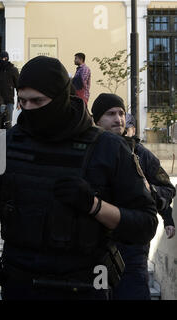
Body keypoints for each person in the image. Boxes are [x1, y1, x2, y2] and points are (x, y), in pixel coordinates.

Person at [0, 56, 158, 300]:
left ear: (62, 97)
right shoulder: (7, 145)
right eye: (23, 101)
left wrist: (95, 207)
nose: (29, 109)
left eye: (38, 101)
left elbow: (145, 224)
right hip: (21, 285)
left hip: (84, 286)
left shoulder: (108, 148)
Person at [92, 93, 175, 300]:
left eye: (121, 113)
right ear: (96, 120)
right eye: (110, 114)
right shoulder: (89, 152)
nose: (118, 119)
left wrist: (150, 192)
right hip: (95, 248)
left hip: (132, 249)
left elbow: (167, 188)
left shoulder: (140, 153)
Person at [0, 51, 19, 129]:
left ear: (7, 58)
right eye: (1, 58)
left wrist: (19, 101)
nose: (3, 60)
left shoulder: (13, 70)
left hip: (9, 100)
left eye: (4, 58)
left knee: (7, 122)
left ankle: (7, 140)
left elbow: (18, 86)